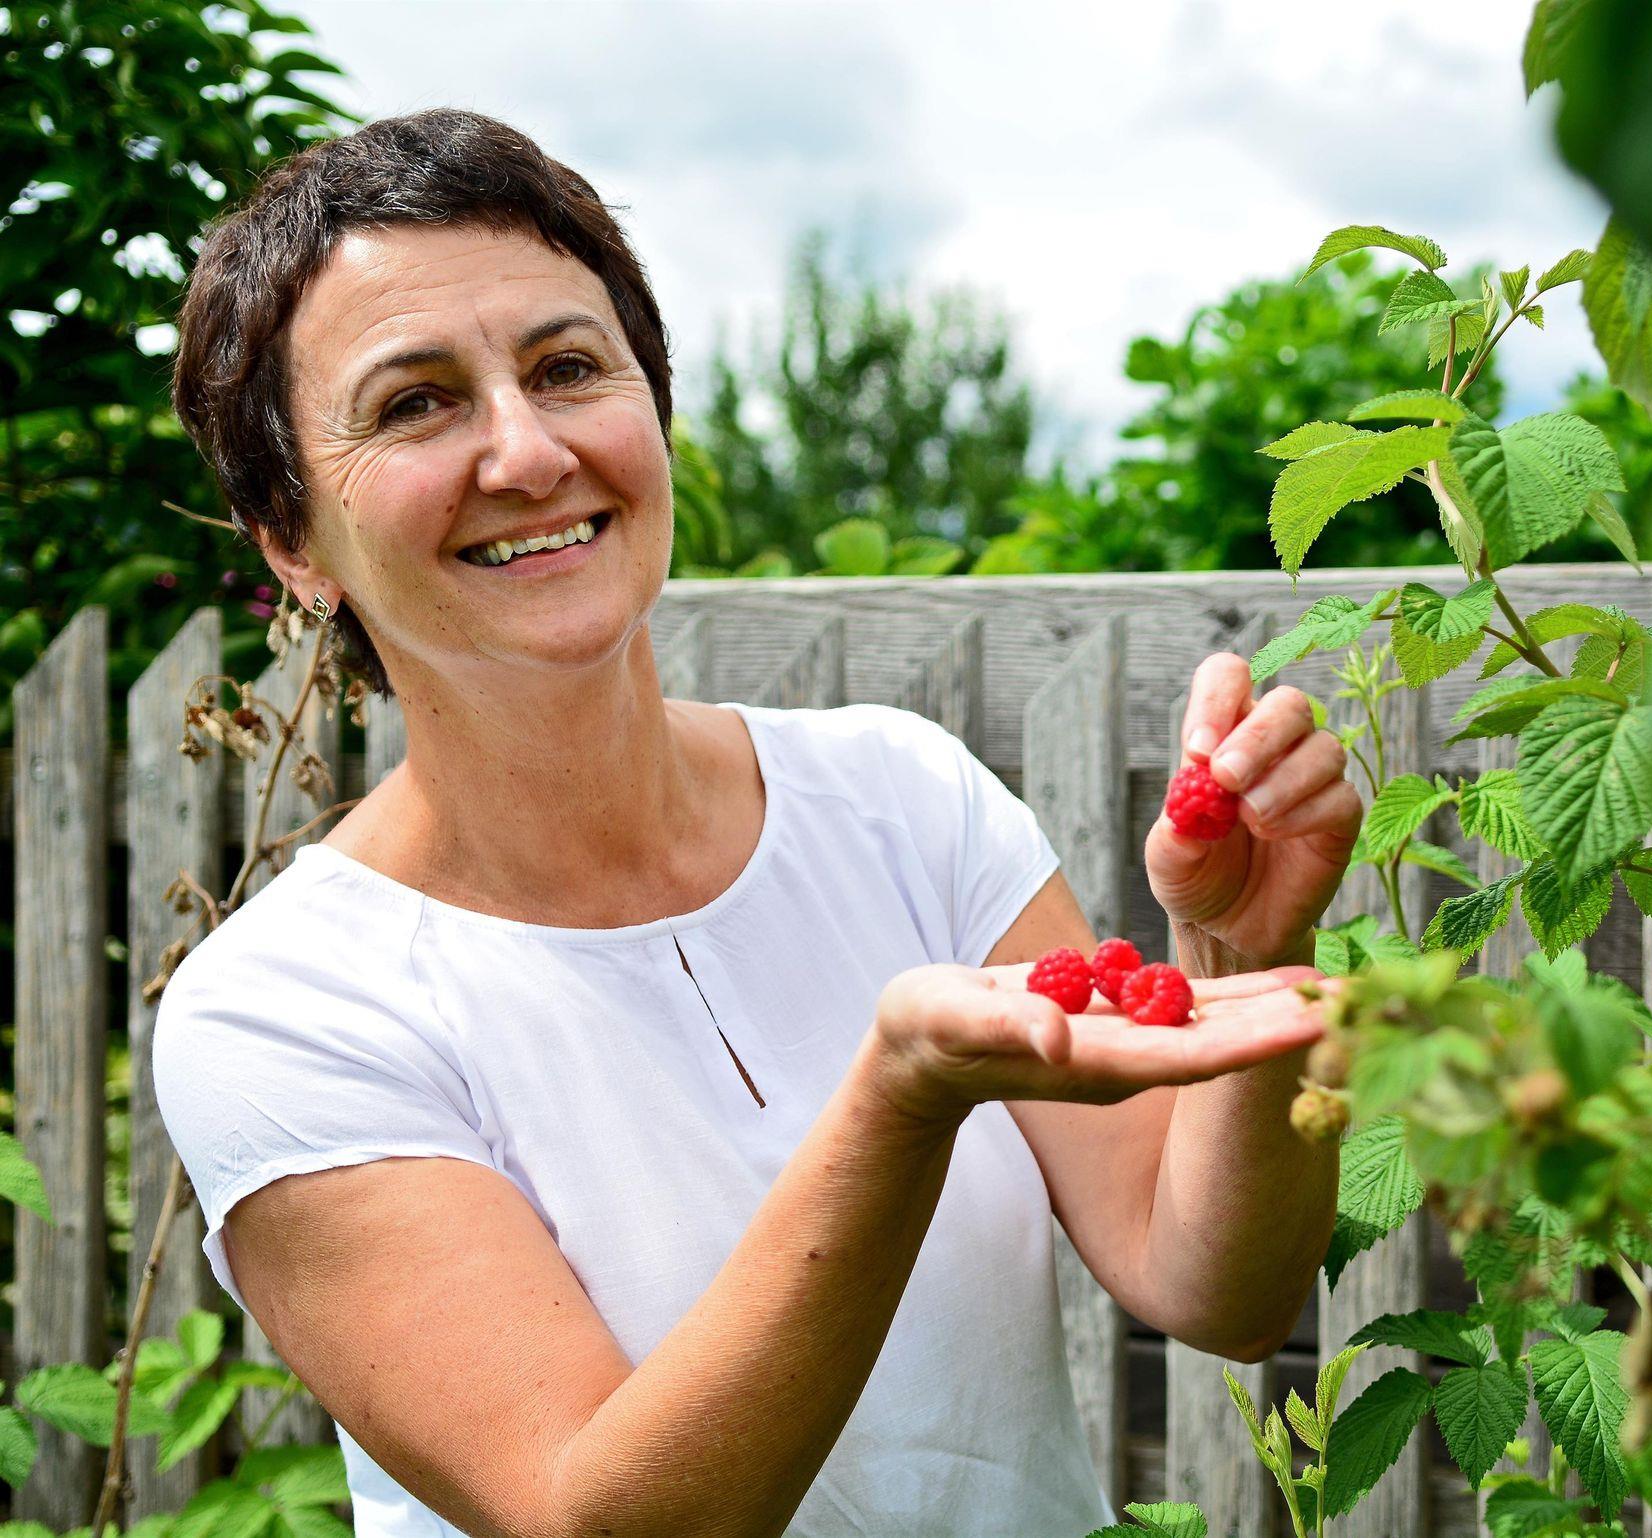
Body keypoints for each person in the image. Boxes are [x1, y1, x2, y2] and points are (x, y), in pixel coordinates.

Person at [154, 108, 1362, 1537]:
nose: (528, 452)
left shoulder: (904, 799)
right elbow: (598, 1520)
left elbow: (1215, 1286)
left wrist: (1237, 952)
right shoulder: (286, 1009)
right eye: (416, 402)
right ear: (292, 539)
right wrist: (899, 1099)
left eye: (568, 368)